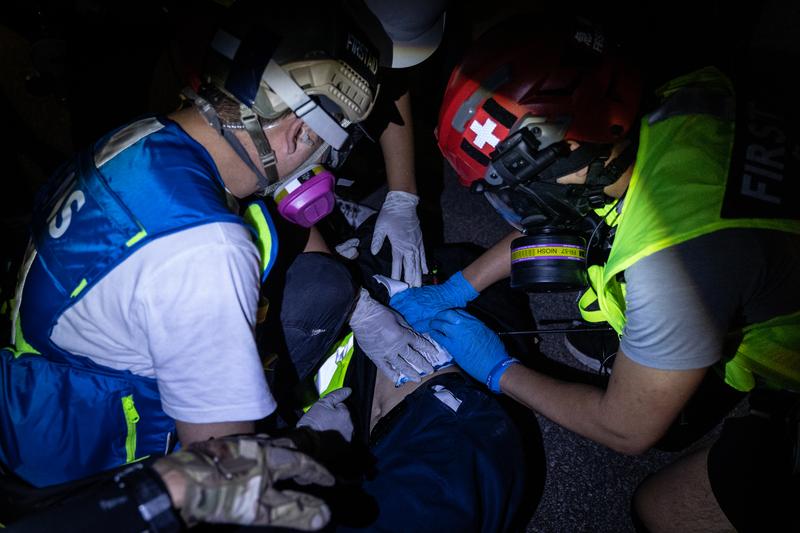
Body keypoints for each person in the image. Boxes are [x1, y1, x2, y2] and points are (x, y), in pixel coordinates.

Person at [0, 1, 439, 488]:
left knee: (326, 283)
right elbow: (224, 477)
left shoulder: (146, 136)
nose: (323, 164)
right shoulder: (208, 249)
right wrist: (305, 447)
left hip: (37, 394)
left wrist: (360, 304)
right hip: (91, 459)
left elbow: (271, 216)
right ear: (298, 131)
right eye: (325, 147)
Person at [389, 17, 800, 533]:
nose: (508, 209)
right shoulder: (678, 99)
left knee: (659, 509)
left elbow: (625, 430)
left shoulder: (672, 267)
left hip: (771, 340)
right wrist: (459, 286)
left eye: (514, 189)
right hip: (757, 268)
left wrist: (499, 369)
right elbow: (563, 208)